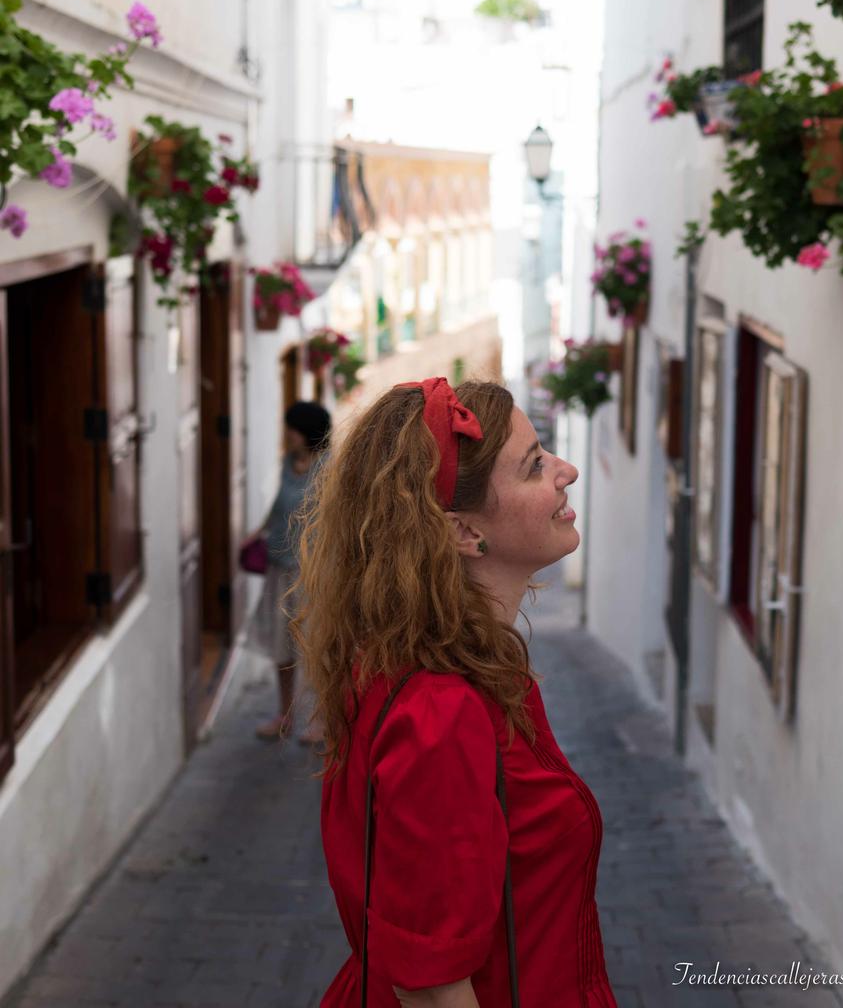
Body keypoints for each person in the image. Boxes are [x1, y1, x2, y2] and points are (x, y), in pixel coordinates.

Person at [294, 378, 618, 1007]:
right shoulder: (441, 713)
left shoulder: (454, 665)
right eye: (534, 465)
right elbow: (433, 989)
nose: (567, 470)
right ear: (464, 532)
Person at [249, 399, 330, 742]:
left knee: (315, 647)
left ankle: (321, 720)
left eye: (292, 428)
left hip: (312, 572)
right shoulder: (287, 463)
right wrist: (259, 531)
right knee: (281, 647)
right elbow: (280, 504)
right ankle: (284, 715)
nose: (288, 434)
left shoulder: (329, 468)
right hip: (279, 567)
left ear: (307, 431)